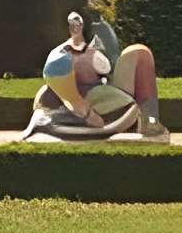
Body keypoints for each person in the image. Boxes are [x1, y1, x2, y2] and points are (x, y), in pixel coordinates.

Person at [30, 11, 166, 141]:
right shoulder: (60, 59)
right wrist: (87, 113)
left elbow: (109, 63)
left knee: (140, 52)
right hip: (79, 102)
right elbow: (68, 95)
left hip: (107, 92)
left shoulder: (97, 40)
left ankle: (150, 120)